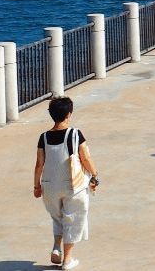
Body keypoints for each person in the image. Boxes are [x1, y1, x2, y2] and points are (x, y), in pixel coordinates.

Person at [34, 96, 98, 270]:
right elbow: (85, 157)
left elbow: (39, 164)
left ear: (52, 115)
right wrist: (95, 175)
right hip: (73, 185)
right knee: (73, 218)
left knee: (58, 217)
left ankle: (56, 247)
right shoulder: (75, 134)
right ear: (68, 114)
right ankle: (67, 260)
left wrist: (36, 186)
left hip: (49, 185)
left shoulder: (44, 137)